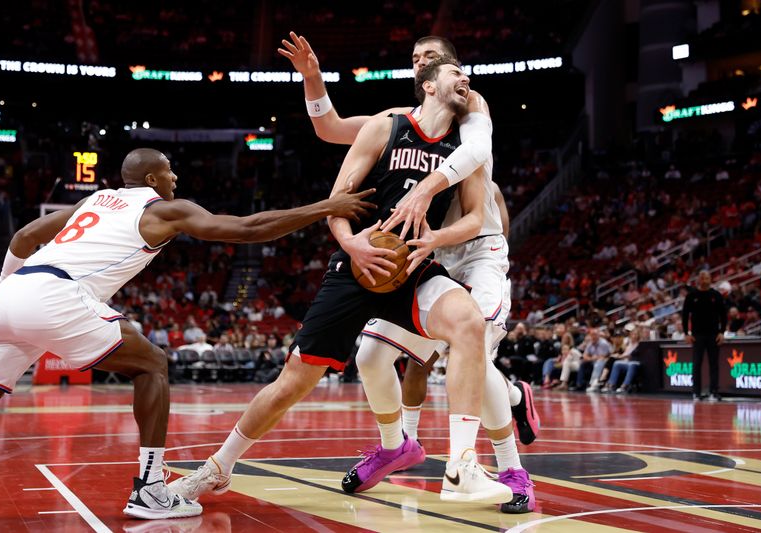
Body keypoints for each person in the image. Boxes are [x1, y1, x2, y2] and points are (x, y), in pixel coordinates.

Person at [169, 57, 512, 506]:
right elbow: (337, 202)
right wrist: (352, 245)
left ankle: (461, 466)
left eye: (468, 74)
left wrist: (435, 239)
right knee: (294, 379)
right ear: (428, 86)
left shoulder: (465, 148)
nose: (465, 79)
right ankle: (218, 467)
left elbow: (474, 219)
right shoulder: (385, 127)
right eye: (454, 73)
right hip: (358, 265)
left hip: (411, 265)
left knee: (468, 321)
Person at [0, 148, 375, 520]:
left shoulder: (93, 201)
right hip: (56, 293)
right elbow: (246, 228)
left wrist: (3, 291)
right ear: (151, 178)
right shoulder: (163, 210)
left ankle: (150, 488)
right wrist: (326, 207)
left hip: (13, 293)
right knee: (151, 364)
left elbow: (24, 236)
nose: (175, 176)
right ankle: (150, 490)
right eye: (168, 170)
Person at [276, 32, 537, 512]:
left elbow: (476, 152)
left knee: (471, 345)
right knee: (372, 355)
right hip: (421, 252)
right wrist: (313, 81)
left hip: (474, 247)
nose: (420, 62)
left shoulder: (470, 102)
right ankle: (398, 444)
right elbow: (331, 128)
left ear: (450, 69)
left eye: (430, 57)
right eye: (414, 57)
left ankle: (510, 468)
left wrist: (427, 189)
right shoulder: (403, 120)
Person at [682, 270, 727, 401]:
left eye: (706, 277)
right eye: (702, 277)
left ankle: (714, 392)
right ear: (698, 280)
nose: (704, 280)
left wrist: (722, 332)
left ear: (710, 279)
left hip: (713, 334)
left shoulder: (716, 295)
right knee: (696, 364)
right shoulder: (691, 296)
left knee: (714, 364)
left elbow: (723, 315)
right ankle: (696, 392)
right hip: (697, 335)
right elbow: (685, 315)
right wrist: (686, 333)